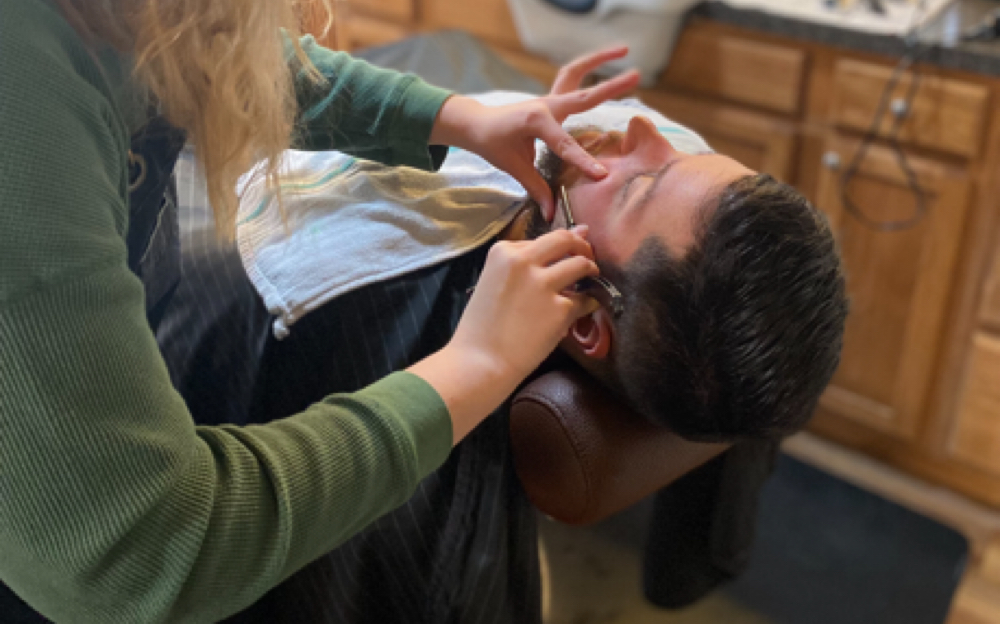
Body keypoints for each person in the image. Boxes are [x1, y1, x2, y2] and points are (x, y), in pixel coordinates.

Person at [0, 0, 641, 622]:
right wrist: (470, 368)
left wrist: (457, 117)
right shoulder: (17, 71)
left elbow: (196, 31)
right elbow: (135, 554)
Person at [157, 47, 848, 622]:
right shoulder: (678, 239)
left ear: (583, 315)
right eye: (686, 156)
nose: (639, 130)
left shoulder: (292, 306)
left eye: (643, 183)